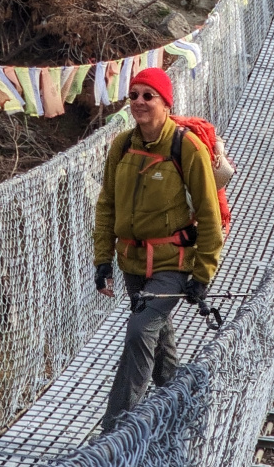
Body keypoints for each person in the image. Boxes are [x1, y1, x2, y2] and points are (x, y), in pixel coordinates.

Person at [92, 65, 224, 433]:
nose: (138, 102)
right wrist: (103, 259)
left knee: (139, 333)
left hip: (173, 263)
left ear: (165, 102)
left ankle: (114, 436)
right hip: (132, 263)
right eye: (133, 95)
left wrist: (202, 275)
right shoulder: (122, 146)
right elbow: (107, 205)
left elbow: (209, 214)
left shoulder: (186, 147)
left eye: (148, 96)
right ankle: (183, 422)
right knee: (161, 345)